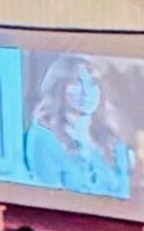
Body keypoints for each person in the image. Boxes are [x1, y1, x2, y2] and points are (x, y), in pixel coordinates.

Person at [23, 54, 137, 201]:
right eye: (77, 82)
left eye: (93, 82)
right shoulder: (42, 138)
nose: (86, 90)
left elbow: (123, 196)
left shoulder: (112, 139)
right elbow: (48, 204)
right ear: (59, 88)